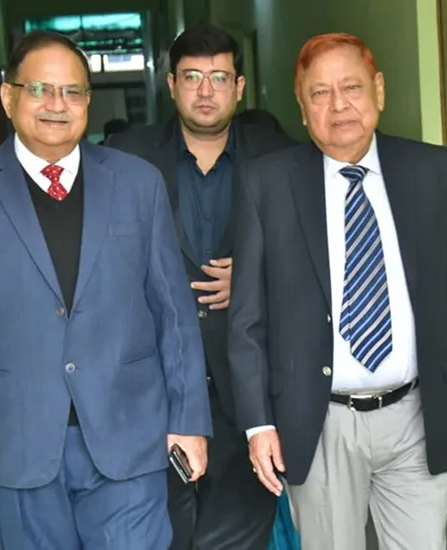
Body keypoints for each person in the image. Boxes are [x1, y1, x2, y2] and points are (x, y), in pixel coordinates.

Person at [0, 31, 212, 550]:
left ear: (88, 101)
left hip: (128, 432)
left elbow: (173, 313)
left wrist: (189, 419)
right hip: (14, 439)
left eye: (72, 92)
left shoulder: (138, 184)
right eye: (40, 89)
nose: (56, 105)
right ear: (8, 97)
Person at [228, 33, 447, 550]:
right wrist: (258, 424)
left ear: (379, 91)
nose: (338, 105)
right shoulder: (268, 184)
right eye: (319, 93)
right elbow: (247, 319)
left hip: (416, 412)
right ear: (302, 108)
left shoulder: (428, 170)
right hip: (320, 420)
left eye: (351, 87)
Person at [107, 25, 295, 550]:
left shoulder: (282, 157)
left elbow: (315, 261)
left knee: (236, 538)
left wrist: (258, 280)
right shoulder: (125, 157)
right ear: (171, 84)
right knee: (157, 536)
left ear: (239, 87)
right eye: (192, 77)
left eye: (219, 77)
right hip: (152, 392)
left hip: (250, 394)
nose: (205, 90)